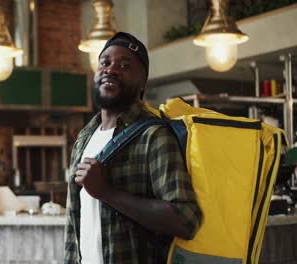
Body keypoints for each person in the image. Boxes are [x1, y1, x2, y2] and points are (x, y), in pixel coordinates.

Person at [64, 32, 202, 264]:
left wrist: (106, 192)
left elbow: (185, 220)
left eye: (124, 65)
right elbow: (73, 227)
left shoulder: (153, 135)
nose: (111, 69)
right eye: (105, 63)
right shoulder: (84, 138)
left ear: (142, 83)